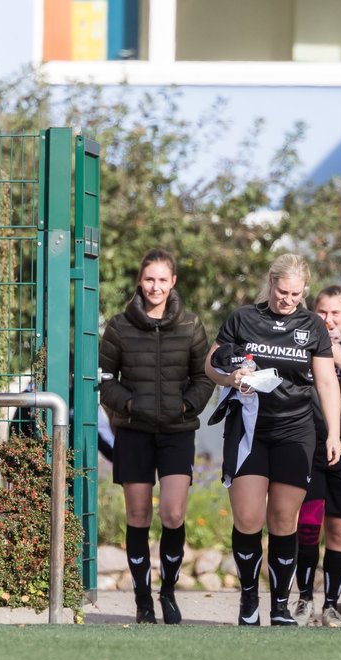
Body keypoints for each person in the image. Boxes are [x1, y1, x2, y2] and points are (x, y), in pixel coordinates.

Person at [205, 254, 341, 627]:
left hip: (295, 429)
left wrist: (333, 431)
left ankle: (280, 605)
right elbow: (211, 364)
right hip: (249, 428)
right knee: (248, 518)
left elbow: (327, 381)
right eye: (283, 291)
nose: (288, 300)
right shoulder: (243, 318)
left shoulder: (311, 325)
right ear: (271, 284)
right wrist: (229, 379)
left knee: (284, 520)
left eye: (296, 294)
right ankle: (249, 600)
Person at [99, 249, 213, 625]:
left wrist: (185, 407)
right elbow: (103, 380)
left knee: (174, 513)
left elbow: (203, 378)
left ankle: (168, 593)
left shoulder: (191, 326)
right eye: (149, 279)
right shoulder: (118, 326)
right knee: (138, 514)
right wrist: (129, 405)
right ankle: (143, 598)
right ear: (139, 281)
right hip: (134, 433)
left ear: (173, 282)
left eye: (163, 280)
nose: (156, 287)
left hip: (177, 433)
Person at [292, 285, 341, 628]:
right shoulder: (301, 345)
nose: (328, 320)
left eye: (335, 313)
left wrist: (338, 358)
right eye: (322, 312)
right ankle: (304, 599)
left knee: (338, 530)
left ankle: (332, 605)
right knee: (307, 527)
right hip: (308, 446)